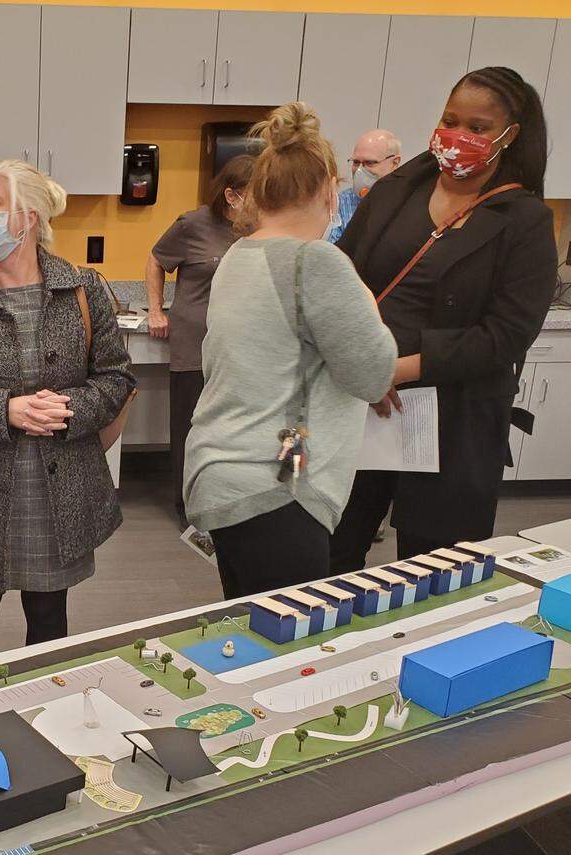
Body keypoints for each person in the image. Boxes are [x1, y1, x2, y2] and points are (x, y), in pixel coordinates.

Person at [330, 67, 558, 569]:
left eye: (477, 127)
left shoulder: (524, 221)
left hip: (454, 420)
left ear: (509, 135)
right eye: (450, 120)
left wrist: (399, 368)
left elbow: (507, 335)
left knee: (435, 566)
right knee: (331, 550)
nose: (458, 136)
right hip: (362, 404)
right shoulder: (397, 191)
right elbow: (342, 275)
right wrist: (362, 362)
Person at [0, 160, 134, 662]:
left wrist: (69, 408)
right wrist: (5, 411)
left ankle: (43, 704)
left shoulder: (83, 289)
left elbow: (117, 377)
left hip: (60, 490)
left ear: (29, 216)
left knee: (49, 619)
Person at [183, 103, 402, 599]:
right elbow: (371, 375)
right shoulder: (315, 261)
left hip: (221, 470)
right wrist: (367, 305)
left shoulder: (239, 256)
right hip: (279, 480)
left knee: (249, 630)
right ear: (330, 192)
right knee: (287, 644)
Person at [145, 154, 255, 526]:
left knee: (227, 427)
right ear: (231, 194)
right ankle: (188, 507)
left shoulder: (257, 229)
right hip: (194, 340)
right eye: (253, 195)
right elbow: (157, 260)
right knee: (190, 426)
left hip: (237, 344)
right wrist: (156, 310)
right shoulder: (194, 224)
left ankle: (223, 501)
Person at [327, 129, 401, 244]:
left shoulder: (408, 203)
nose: (360, 170)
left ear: (395, 163)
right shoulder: (340, 204)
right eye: (356, 162)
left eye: (370, 163)